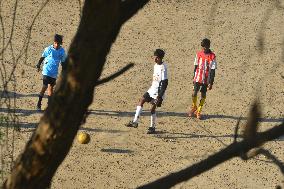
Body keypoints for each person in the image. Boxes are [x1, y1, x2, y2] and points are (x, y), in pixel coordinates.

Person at [126, 49, 168, 134]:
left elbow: (164, 84)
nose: (154, 59)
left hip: (158, 93)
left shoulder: (163, 68)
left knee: (152, 109)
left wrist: (159, 97)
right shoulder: (155, 65)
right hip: (152, 89)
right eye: (154, 57)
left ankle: (152, 127)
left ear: (160, 58)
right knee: (141, 100)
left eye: (156, 58)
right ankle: (135, 121)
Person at [36, 34, 67, 110]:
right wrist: (38, 64)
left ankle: (49, 106)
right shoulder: (48, 49)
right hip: (46, 71)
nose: (56, 45)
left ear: (60, 44)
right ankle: (39, 103)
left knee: (51, 89)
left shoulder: (62, 52)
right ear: (54, 42)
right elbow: (42, 57)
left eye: (58, 44)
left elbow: (63, 63)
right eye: (55, 43)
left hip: (54, 73)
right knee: (45, 86)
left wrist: (63, 73)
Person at [188, 38, 217, 119]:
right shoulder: (198, 54)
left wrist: (211, 82)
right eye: (203, 47)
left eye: (205, 47)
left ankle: (199, 111)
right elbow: (196, 66)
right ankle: (194, 107)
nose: (204, 48)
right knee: (194, 93)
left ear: (208, 46)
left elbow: (212, 70)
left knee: (203, 94)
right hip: (198, 77)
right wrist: (194, 77)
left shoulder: (212, 56)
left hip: (206, 79)